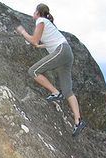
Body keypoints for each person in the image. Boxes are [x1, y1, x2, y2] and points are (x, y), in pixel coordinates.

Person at [16, 3, 86, 136]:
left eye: (34, 11)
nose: (33, 14)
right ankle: (78, 121)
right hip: (66, 53)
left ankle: (55, 93)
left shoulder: (41, 21)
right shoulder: (48, 23)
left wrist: (23, 31)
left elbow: (34, 40)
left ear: (37, 12)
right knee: (68, 90)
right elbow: (46, 42)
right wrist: (40, 46)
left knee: (33, 71)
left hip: (61, 51)